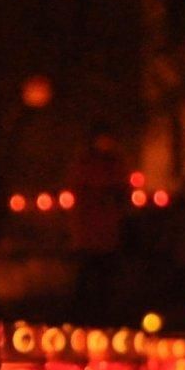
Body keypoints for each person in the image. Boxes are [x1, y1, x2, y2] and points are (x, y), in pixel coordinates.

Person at [66, 128, 130, 320]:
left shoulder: (114, 163)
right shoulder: (86, 163)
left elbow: (122, 191)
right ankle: (84, 314)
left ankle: (104, 314)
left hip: (106, 232)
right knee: (87, 276)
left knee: (105, 278)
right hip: (90, 232)